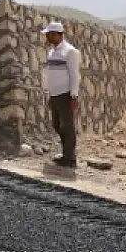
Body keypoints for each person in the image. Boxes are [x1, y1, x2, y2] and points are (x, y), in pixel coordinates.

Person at [42, 21, 82, 168]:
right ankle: (66, 153)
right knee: (57, 125)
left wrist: (74, 95)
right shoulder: (52, 51)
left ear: (57, 35)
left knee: (68, 126)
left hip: (65, 94)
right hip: (54, 94)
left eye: (49, 34)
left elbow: (74, 75)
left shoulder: (70, 52)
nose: (47, 37)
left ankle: (70, 158)